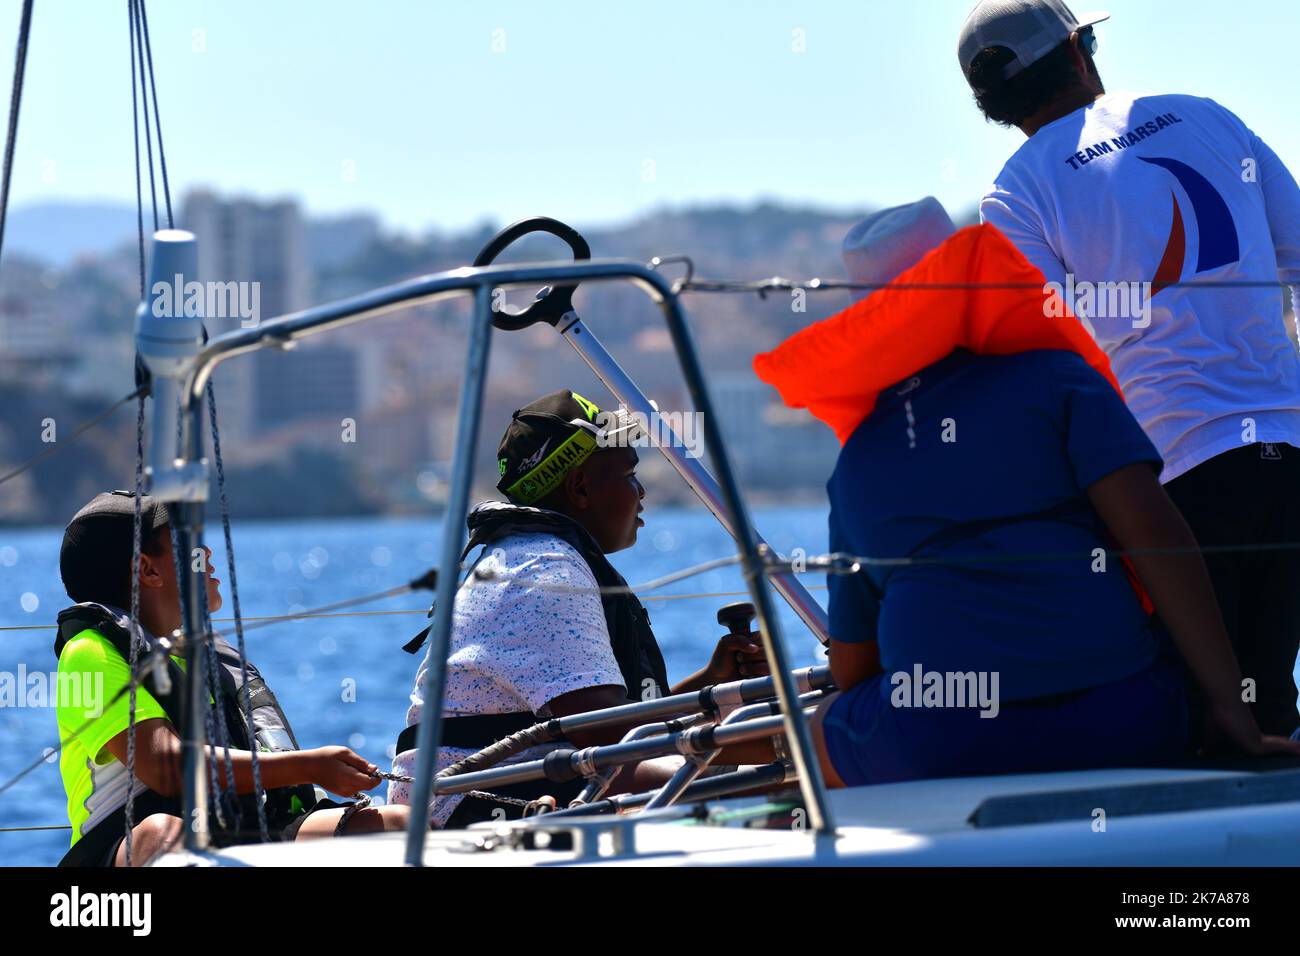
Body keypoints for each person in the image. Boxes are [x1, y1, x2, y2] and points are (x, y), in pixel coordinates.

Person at [752, 198, 1300, 790]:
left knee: (818, 728)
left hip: (942, 739)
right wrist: (1227, 707)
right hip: (1122, 721)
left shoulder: (857, 461)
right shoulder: (1060, 382)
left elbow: (855, 665)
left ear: (868, 325)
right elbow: (1155, 533)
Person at [956, 0, 1300, 747]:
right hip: (1287, 449)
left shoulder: (1015, 192)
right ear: (1079, 53)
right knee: (1270, 692)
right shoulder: (1202, 114)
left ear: (992, 106)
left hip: (1169, 481)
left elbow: (1048, 357)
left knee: (1205, 713)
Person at [390, 389, 772, 826]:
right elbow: (609, 735)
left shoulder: (530, 555)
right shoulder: (543, 571)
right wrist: (768, 742)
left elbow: (605, 724)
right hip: (467, 804)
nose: (642, 491)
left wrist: (712, 684)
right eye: (629, 474)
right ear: (580, 487)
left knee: (741, 770)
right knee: (769, 776)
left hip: (502, 784)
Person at [54, 490, 409, 867]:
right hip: (132, 844)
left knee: (398, 826)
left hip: (243, 826)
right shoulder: (90, 654)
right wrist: (311, 766)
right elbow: (166, 768)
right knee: (163, 834)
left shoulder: (203, 655)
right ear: (149, 570)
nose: (206, 554)